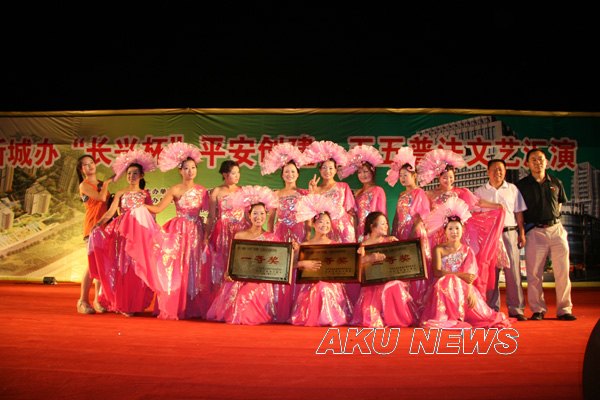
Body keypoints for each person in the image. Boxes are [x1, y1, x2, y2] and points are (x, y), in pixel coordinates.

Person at [418, 148, 506, 302]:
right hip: (435, 238)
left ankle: (460, 300)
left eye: (451, 177)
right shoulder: (429, 195)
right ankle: (436, 301)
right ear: (438, 177)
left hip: (456, 237)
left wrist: (496, 206)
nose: (448, 180)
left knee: (459, 267)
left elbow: (478, 203)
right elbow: (424, 214)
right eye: (445, 177)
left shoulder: (461, 192)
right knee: (434, 268)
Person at [141, 142, 211, 320]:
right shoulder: (175, 189)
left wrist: (207, 234)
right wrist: (141, 207)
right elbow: (158, 209)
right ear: (180, 171)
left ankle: (192, 306)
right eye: (186, 168)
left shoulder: (202, 191)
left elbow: (210, 215)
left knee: (194, 266)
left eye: (193, 168)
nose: (190, 171)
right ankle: (176, 305)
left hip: (196, 231)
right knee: (177, 267)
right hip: (178, 232)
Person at [420, 197, 513, 328]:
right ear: (445, 231)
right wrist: (459, 275)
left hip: (464, 288)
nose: (454, 232)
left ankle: (460, 314)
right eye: (450, 229)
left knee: (485, 316)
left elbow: (470, 276)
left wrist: (469, 291)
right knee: (448, 280)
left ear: (462, 230)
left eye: (457, 228)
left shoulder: (467, 250)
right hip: (442, 289)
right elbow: (437, 272)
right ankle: (449, 317)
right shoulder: (438, 249)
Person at [87, 149, 156, 316]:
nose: (132, 176)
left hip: (139, 237)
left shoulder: (145, 194)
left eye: (135, 173)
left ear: (141, 176)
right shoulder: (120, 193)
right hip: (123, 235)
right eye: (129, 173)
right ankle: (124, 304)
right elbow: (111, 212)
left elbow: (152, 216)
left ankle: (135, 303)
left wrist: (153, 237)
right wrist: (98, 224)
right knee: (123, 268)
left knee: (136, 268)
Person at [206, 185, 285, 325]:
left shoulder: (272, 238)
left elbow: (280, 262)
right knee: (233, 298)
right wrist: (228, 272)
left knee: (244, 297)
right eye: (255, 213)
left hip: (261, 281)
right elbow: (234, 257)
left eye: (262, 214)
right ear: (249, 215)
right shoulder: (240, 235)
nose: (258, 217)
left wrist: (294, 248)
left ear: (266, 215)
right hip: (240, 277)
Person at [516, 148, 575, 321]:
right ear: (527, 163)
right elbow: (519, 211)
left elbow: (559, 205)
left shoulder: (556, 182)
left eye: (540, 159)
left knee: (562, 272)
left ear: (546, 162)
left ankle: (564, 309)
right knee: (534, 274)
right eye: (533, 160)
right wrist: (522, 232)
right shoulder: (522, 185)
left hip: (556, 230)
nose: (538, 162)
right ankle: (538, 309)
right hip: (535, 232)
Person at [474, 158, 528, 320]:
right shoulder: (479, 192)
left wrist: (522, 233)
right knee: (491, 273)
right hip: (489, 237)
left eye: (501, 169)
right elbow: (475, 214)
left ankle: (516, 309)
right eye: (494, 169)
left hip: (509, 233)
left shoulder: (512, 189)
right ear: (488, 172)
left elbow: (518, 213)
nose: (498, 172)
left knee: (513, 273)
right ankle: (491, 309)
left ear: (505, 172)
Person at [290, 194, 354, 326]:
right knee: (318, 287)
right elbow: (290, 266)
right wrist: (302, 263)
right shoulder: (304, 245)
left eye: (327, 222)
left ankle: (328, 317)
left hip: (332, 285)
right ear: (314, 224)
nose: (324, 225)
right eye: (321, 222)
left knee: (323, 287)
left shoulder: (336, 246)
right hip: (309, 285)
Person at [351, 211, 418, 327]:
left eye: (386, 223)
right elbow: (356, 267)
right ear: (372, 226)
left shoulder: (389, 241)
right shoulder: (362, 246)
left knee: (395, 285)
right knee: (372, 318)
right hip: (371, 287)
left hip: (389, 281)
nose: (386, 226)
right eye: (382, 223)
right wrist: (369, 258)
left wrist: (397, 247)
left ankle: (395, 319)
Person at [386, 146, 431, 314]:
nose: (403, 178)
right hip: (402, 235)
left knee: (417, 267)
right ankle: (405, 307)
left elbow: (420, 218)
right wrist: (393, 232)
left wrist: (412, 238)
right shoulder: (401, 195)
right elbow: (397, 216)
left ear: (414, 176)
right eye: (401, 176)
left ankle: (419, 305)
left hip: (415, 234)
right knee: (403, 268)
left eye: (406, 175)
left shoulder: (419, 193)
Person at [206, 159, 249, 295]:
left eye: (238, 173)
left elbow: (248, 216)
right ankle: (220, 295)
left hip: (240, 231)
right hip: (222, 231)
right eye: (233, 173)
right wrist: (206, 236)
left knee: (239, 262)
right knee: (221, 262)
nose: (237, 176)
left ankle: (237, 295)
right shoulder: (217, 191)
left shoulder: (243, 191)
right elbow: (211, 216)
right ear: (225, 174)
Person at [76, 154, 111, 314]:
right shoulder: (84, 185)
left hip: (105, 228)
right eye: (85, 164)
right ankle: (82, 301)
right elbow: (101, 198)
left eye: (91, 163)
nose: (90, 166)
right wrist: (107, 183)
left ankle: (98, 299)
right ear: (81, 169)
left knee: (101, 266)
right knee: (92, 265)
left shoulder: (101, 183)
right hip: (92, 228)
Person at [304, 140, 356, 243]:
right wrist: (311, 193)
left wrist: (353, 231)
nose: (327, 171)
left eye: (331, 168)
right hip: (324, 230)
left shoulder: (343, 187)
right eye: (324, 168)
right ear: (319, 170)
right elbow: (310, 214)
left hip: (344, 229)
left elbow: (351, 212)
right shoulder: (315, 190)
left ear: (336, 170)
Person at [261, 142, 310, 243]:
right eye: (286, 172)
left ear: (297, 174)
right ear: (282, 175)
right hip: (280, 232)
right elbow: (271, 219)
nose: (290, 174)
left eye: (293, 171)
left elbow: (308, 218)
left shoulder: (304, 193)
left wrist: (307, 237)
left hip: (299, 232)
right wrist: (270, 237)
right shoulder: (276, 194)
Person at [338, 144, 387, 242]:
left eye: (365, 171)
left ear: (372, 172)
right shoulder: (358, 193)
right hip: (359, 231)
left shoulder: (378, 190)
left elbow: (382, 214)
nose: (362, 175)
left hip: (373, 231)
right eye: (359, 172)